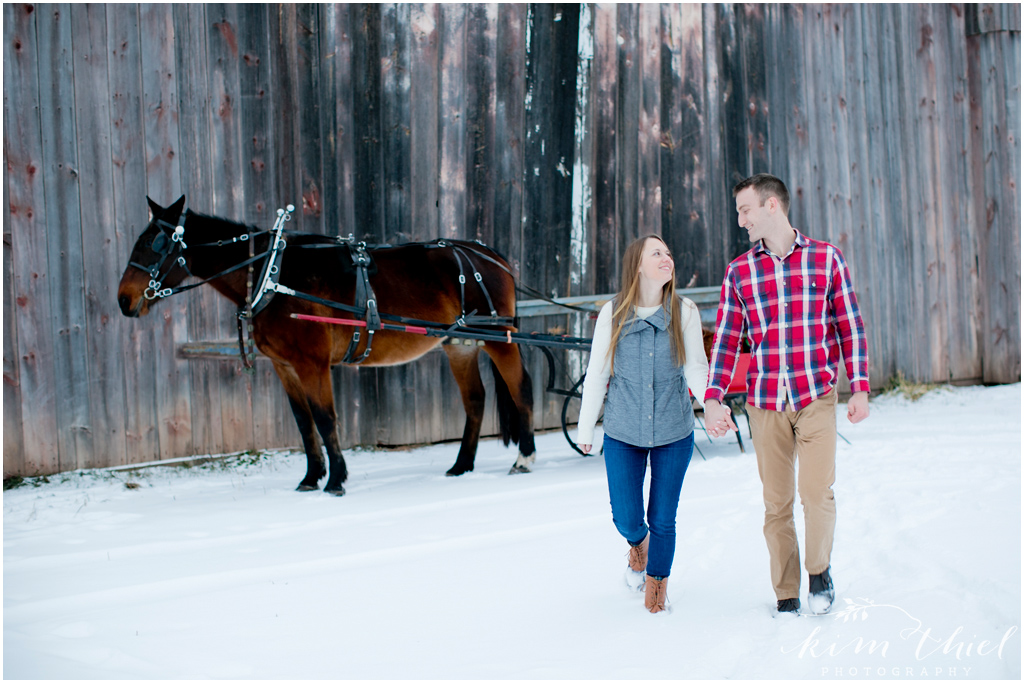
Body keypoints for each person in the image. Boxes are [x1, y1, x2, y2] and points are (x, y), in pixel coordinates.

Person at [704, 173, 870, 616]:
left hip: (815, 395)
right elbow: (724, 339)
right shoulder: (740, 272)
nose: (741, 220)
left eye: (745, 210)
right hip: (764, 403)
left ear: (772, 205)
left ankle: (819, 572)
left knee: (816, 492)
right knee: (776, 503)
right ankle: (786, 591)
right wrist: (715, 395)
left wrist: (860, 387)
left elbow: (849, 327)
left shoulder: (826, 259)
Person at [576, 234, 709, 614]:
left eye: (669, 252)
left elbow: (696, 368)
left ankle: (656, 595)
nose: (667, 258)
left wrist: (712, 404)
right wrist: (586, 429)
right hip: (622, 432)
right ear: (638, 264)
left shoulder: (683, 311)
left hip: (673, 432)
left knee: (663, 517)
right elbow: (597, 374)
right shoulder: (612, 312)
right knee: (627, 516)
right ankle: (639, 547)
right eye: (657, 253)